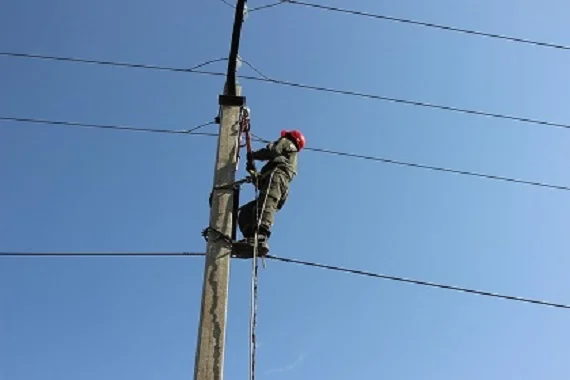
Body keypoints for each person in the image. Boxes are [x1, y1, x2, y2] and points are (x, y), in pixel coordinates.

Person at [233, 129, 305, 256]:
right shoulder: (278, 163)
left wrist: (253, 155)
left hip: (277, 180)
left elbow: (272, 151)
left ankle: (260, 238)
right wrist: (253, 172)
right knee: (247, 211)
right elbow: (261, 184)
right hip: (278, 184)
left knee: (266, 203)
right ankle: (250, 239)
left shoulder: (287, 142)